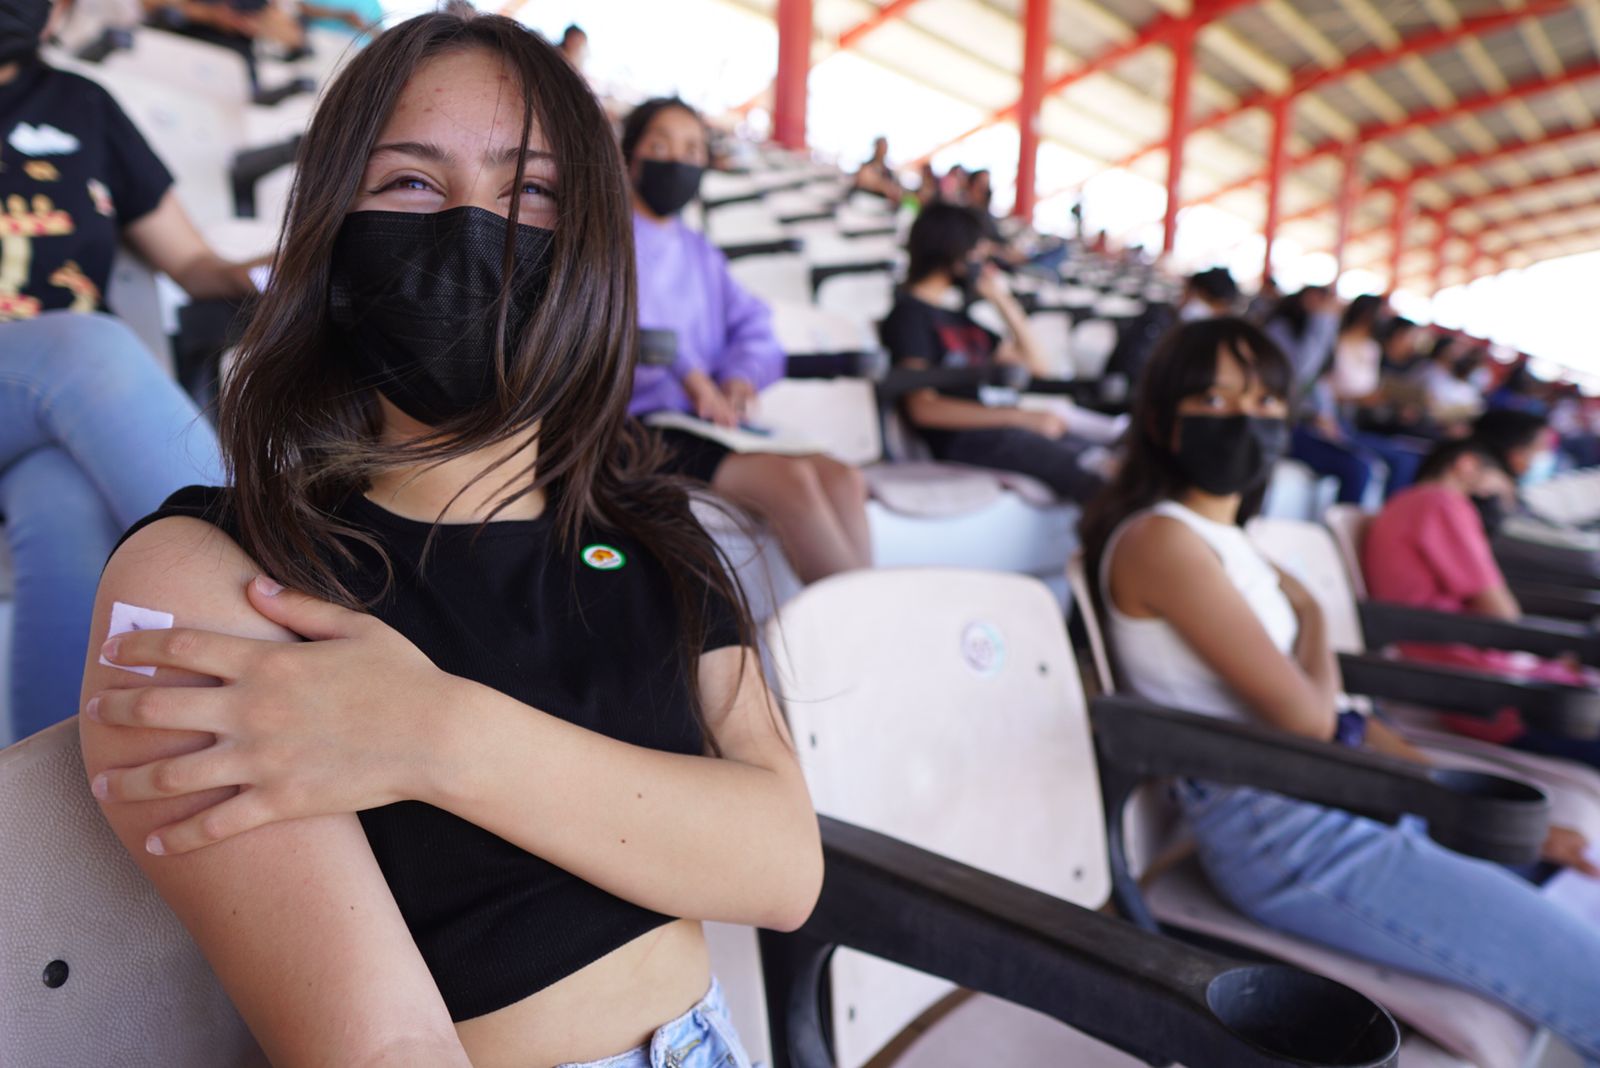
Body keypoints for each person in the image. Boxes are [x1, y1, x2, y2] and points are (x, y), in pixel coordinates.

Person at [79, 10, 821, 1068]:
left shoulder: (650, 527)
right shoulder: (214, 572)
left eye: (532, 194)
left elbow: (782, 866)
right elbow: (381, 1048)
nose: (475, 229)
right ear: (332, 234)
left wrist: (436, 735)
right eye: (412, 185)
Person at [1078, 317, 1600, 1057]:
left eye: (1264, 404)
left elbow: (1345, 721)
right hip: (1287, 829)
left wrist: (1445, 794)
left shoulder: (1233, 547)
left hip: (1343, 795)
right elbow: (1309, 721)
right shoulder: (1161, 541)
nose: (1246, 422)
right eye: (1217, 403)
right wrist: (1317, 615)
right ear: (1163, 421)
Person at [1, 0, 242, 739]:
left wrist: (298, 276)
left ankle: (52, 809)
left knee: (65, 500)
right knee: (89, 348)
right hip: (69, 367)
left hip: (44, 414)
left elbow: (194, 263)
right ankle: (290, 616)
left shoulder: (83, 104)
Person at [622, 96, 871, 583]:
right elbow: (623, 323)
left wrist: (739, 377)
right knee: (792, 479)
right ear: (631, 155)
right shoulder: (605, 236)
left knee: (846, 477)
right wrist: (695, 380)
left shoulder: (700, 253)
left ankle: (856, 621)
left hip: (709, 420)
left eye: (693, 150)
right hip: (634, 422)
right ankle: (860, 633)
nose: (678, 160)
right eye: (661, 145)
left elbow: (754, 325)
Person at [1362, 436, 1600, 761]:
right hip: (1488, 693)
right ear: (1466, 465)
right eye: (1497, 488)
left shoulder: (1408, 502)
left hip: (1460, 680)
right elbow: (1500, 613)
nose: (1495, 500)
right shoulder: (1441, 503)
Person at [879, 202, 1109, 503]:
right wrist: (1017, 417)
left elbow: (1038, 367)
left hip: (1000, 431)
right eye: (977, 252)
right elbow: (924, 408)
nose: (983, 262)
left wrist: (1003, 301)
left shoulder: (963, 319)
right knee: (1091, 476)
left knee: (1108, 463)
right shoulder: (909, 315)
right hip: (966, 441)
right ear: (953, 251)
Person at [1260, 284, 1338, 393]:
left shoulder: (1321, 325)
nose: (1319, 306)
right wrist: (1320, 321)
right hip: (1279, 391)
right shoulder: (1279, 327)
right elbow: (1302, 369)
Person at [853, 135, 902, 202]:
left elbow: (894, 189)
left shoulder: (888, 171)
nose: (883, 149)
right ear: (875, 147)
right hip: (864, 200)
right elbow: (863, 180)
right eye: (881, 146)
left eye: (885, 146)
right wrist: (884, 186)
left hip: (881, 203)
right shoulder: (866, 165)